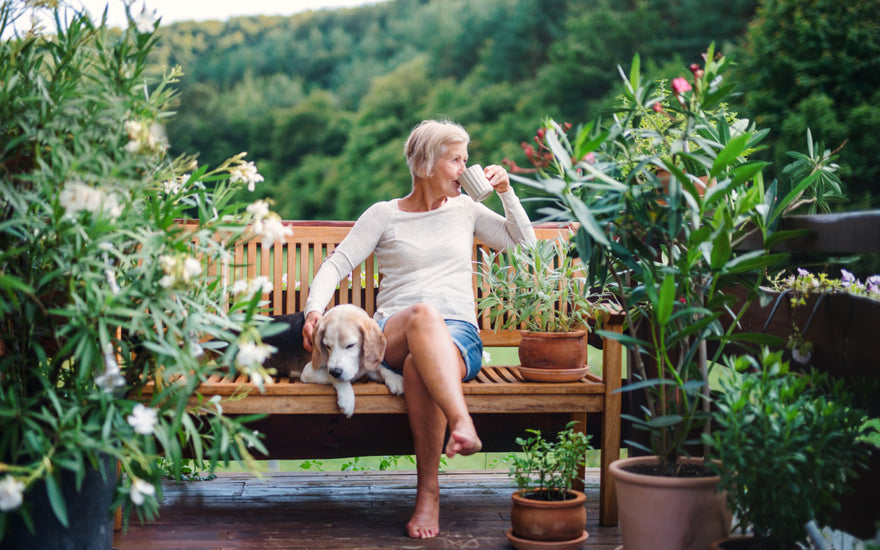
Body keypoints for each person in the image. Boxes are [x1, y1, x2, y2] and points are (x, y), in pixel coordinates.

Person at [302, 119, 536, 539]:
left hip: (458, 335)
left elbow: (526, 249)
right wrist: (312, 312)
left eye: (467, 160)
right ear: (426, 163)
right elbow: (336, 264)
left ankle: (428, 495)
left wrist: (506, 192)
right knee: (423, 315)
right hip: (392, 331)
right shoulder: (384, 215)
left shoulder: (466, 210)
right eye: (456, 160)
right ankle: (462, 422)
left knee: (416, 369)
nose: (466, 170)